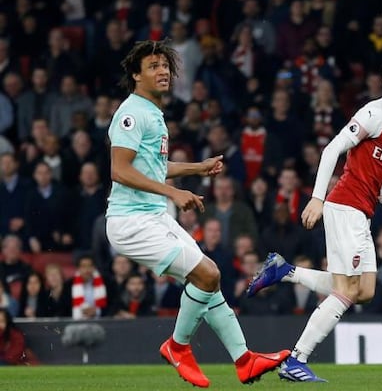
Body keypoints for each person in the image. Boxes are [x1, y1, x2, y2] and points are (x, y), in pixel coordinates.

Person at [105, 39, 287, 388]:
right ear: (135, 75)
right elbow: (120, 170)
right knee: (207, 273)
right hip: (131, 221)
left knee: (209, 279)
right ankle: (177, 346)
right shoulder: (131, 114)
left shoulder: (152, 112)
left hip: (153, 216)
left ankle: (245, 360)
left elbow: (154, 167)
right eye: (153, 66)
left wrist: (197, 169)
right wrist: (174, 192)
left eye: (165, 66)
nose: (163, 72)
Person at [245, 57, 382, 382]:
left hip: (363, 212)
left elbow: (377, 172)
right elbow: (331, 150)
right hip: (345, 207)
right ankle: (296, 359)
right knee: (347, 288)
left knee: (363, 290)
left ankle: (284, 271)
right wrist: (317, 198)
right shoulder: (373, 114)